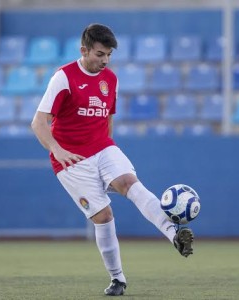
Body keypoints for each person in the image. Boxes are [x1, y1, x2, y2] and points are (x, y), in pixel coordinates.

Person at [31, 23, 194, 297]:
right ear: (84, 50)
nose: (104, 61)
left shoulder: (111, 79)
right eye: (99, 54)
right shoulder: (64, 78)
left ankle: (174, 233)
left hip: (103, 147)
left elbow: (107, 117)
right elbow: (38, 123)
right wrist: (57, 150)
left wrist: (108, 152)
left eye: (108, 55)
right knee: (104, 216)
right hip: (71, 159)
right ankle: (117, 279)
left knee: (128, 182)